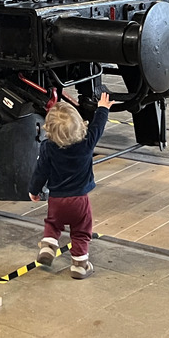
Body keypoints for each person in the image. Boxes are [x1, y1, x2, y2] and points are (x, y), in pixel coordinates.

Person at [28, 91, 111, 279]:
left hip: (56, 200)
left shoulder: (48, 147)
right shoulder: (86, 144)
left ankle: (48, 246)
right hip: (79, 200)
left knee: (53, 223)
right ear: (79, 125)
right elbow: (98, 127)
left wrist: (34, 190)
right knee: (81, 231)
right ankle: (80, 265)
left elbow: (40, 171)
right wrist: (102, 109)